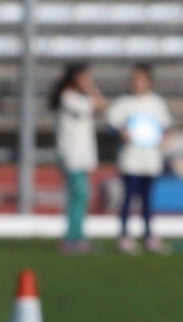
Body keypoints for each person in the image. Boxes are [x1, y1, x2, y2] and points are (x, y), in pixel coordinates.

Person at [107, 63, 172, 253]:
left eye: (141, 80)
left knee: (147, 199)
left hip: (150, 159)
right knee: (128, 197)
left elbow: (166, 126)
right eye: (134, 79)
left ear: (149, 82)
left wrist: (165, 136)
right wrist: (121, 132)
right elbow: (111, 124)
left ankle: (149, 235)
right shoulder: (123, 103)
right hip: (131, 159)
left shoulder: (156, 103)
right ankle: (124, 235)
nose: (137, 83)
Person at [52, 63, 102, 254]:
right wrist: (91, 88)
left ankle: (77, 236)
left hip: (80, 157)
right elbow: (99, 104)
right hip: (73, 157)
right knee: (78, 196)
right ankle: (72, 238)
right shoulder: (69, 98)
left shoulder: (76, 98)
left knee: (80, 197)